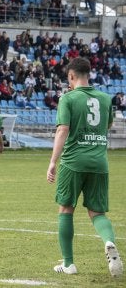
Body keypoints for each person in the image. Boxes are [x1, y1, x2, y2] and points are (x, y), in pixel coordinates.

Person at [46, 57, 123, 277]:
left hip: (73, 161)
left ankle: (69, 264)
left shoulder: (68, 98)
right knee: (97, 212)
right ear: (88, 74)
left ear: (71, 76)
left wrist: (52, 162)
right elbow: (107, 125)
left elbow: (62, 130)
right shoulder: (106, 98)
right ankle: (108, 241)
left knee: (66, 209)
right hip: (99, 162)